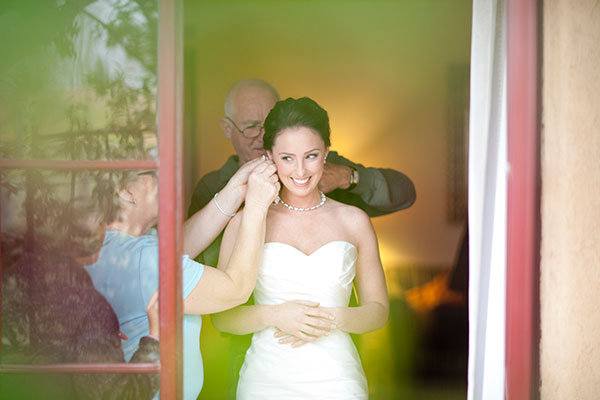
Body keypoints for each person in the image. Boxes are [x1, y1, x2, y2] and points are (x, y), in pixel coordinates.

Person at [211, 97, 389, 399]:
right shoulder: (246, 220)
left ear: (326, 154)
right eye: (287, 158)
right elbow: (222, 317)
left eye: (311, 155)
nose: (301, 171)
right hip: (265, 382)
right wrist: (276, 315)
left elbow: (379, 312)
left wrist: (330, 319)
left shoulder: (354, 221)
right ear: (270, 157)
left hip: (339, 380)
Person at [84, 157, 279, 400]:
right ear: (125, 191)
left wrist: (232, 194)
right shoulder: (145, 258)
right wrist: (257, 207)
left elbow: (176, 252)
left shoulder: (114, 248)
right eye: (153, 174)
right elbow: (235, 290)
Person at [188, 78, 416, 267]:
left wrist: (348, 177)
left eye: (271, 123)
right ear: (227, 128)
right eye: (250, 127)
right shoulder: (212, 187)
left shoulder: (317, 166)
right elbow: (196, 265)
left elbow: (405, 193)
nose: (263, 135)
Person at [1, 224, 161, 400]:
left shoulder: (18, 271)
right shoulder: (87, 306)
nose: (105, 229)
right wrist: (156, 338)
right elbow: (122, 396)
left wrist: (97, 338)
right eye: (100, 221)